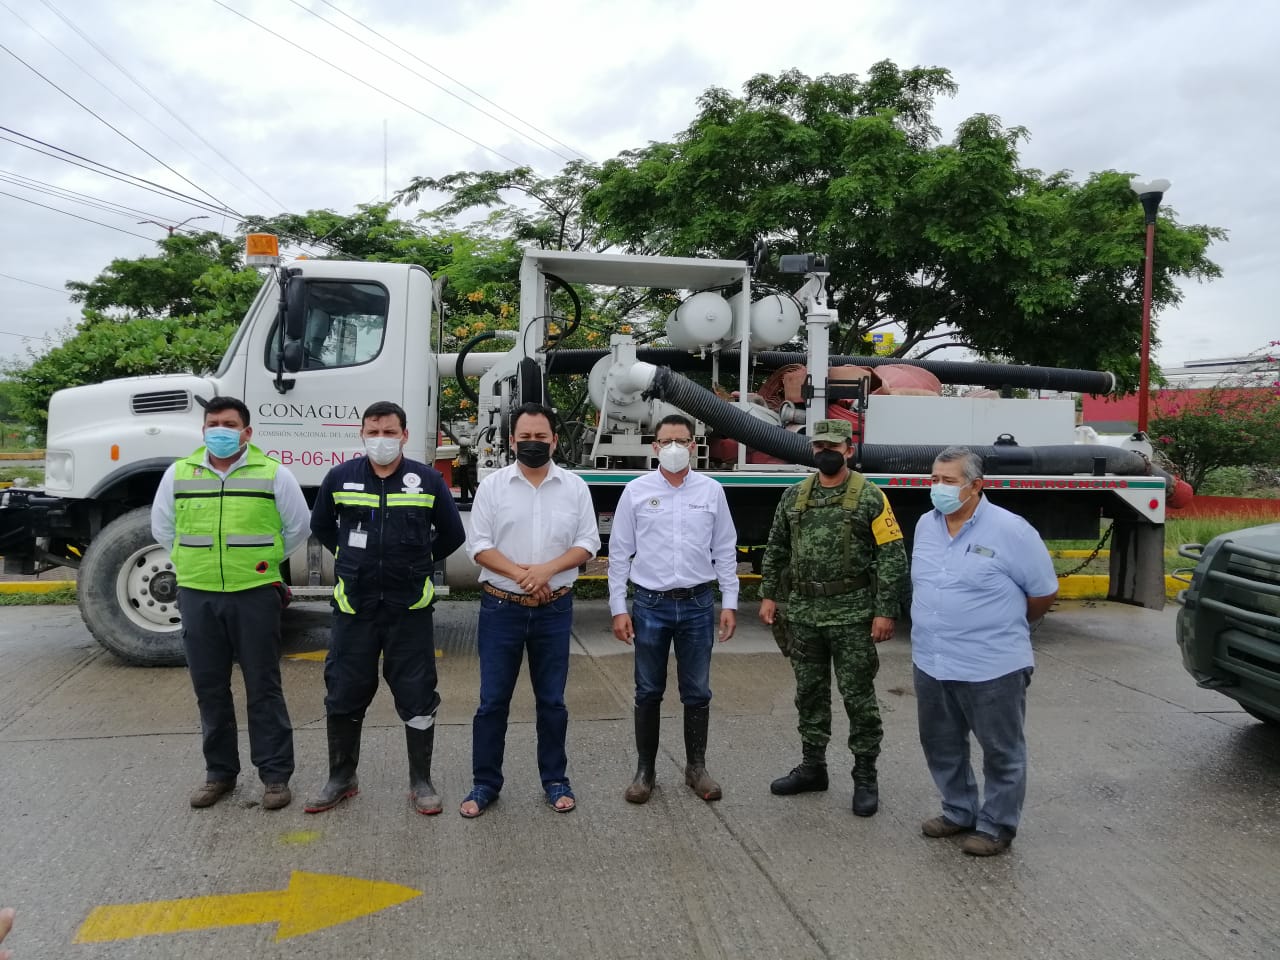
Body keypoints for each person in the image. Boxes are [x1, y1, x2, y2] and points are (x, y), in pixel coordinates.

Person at [305, 401, 466, 815]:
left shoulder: (427, 480)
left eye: (389, 432)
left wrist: (416, 562)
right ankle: (341, 777)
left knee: (416, 695)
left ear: (404, 436)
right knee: (343, 693)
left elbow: (452, 533)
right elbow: (322, 525)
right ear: (362, 434)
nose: (381, 439)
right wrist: (349, 558)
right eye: (373, 431)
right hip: (354, 609)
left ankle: (421, 780)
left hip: (408, 609)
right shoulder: (340, 478)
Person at [151, 396, 310, 810]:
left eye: (229, 423)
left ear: (247, 432)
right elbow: (163, 528)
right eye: (213, 423)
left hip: (254, 593)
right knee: (210, 688)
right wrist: (197, 565)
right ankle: (219, 774)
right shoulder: (178, 474)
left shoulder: (274, 474)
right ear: (203, 429)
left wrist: (259, 563)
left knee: (263, 687)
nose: (220, 430)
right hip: (198, 593)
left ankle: (275, 777)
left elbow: (298, 527)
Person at [910, 446, 1058, 856]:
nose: (938, 488)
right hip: (932, 660)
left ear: (976, 486)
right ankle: (958, 811)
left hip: (991, 665)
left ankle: (996, 825)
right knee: (941, 744)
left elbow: (1043, 594)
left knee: (1001, 751)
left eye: (949, 481)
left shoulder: (1011, 531)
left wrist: (1001, 626)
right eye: (934, 479)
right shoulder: (926, 524)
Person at [758, 419, 909, 817]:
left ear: (848, 450)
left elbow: (892, 556)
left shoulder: (870, 497)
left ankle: (864, 776)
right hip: (805, 613)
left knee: (858, 697)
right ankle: (813, 768)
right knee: (809, 693)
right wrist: (769, 595)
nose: (825, 451)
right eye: (819, 445)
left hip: (853, 614)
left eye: (833, 445)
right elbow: (775, 547)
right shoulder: (794, 496)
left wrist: (885, 611)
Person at [460, 402, 601, 817]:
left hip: (554, 611)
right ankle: (485, 783)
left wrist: (546, 571)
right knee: (492, 702)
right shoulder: (493, 487)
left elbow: (588, 544)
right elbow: (479, 546)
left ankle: (555, 779)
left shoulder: (574, 487)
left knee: (552, 701)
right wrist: (526, 577)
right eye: (526, 437)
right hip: (501, 609)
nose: (533, 444)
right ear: (511, 440)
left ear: (555, 440)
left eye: (541, 437)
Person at [608, 414, 739, 804]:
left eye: (681, 440)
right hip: (650, 604)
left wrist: (729, 602)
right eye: (666, 441)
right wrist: (618, 607)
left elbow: (725, 551)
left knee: (697, 691)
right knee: (648, 690)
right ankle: (645, 771)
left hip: (698, 604)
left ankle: (695, 767)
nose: (674, 448)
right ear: (654, 447)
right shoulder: (635, 491)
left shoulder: (712, 491)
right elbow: (618, 553)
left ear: (695, 446)